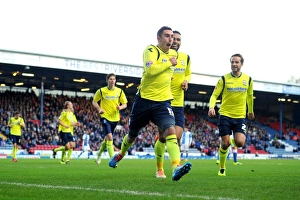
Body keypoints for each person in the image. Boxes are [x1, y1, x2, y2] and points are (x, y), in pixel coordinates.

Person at [108, 26, 192, 181]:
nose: (170, 39)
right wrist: (169, 64)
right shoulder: (151, 50)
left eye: (172, 37)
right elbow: (151, 71)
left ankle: (175, 168)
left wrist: (181, 80)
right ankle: (120, 154)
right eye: (167, 36)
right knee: (132, 136)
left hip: (163, 102)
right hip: (144, 101)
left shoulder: (175, 54)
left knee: (170, 132)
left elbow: (183, 72)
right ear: (159, 38)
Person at [208, 53, 255, 176]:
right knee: (225, 143)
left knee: (240, 143)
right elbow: (214, 95)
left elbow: (250, 97)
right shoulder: (224, 79)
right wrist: (211, 107)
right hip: (225, 115)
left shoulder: (248, 80)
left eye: (236, 62)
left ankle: (229, 142)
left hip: (240, 116)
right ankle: (222, 169)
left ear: (241, 64)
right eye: (232, 62)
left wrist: (250, 111)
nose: (234, 64)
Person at [154, 30, 192, 179]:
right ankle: (160, 169)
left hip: (178, 103)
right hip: (163, 101)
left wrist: (186, 81)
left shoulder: (186, 58)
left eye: (178, 39)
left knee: (176, 137)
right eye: (173, 38)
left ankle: (176, 167)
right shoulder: (162, 55)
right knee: (164, 138)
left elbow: (188, 73)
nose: (175, 41)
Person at [93, 73, 128, 165]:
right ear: (107, 80)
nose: (112, 81)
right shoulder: (101, 91)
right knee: (110, 137)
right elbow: (94, 101)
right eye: (111, 79)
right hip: (105, 117)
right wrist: (99, 109)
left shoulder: (119, 91)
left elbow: (125, 104)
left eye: (114, 79)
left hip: (115, 118)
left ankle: (99, 153)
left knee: (107, 139)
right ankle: (113, 159)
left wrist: (120, 107)